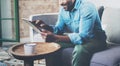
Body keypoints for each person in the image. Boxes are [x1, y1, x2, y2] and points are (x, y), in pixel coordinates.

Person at [33, 0, 107, 66]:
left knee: (80, 49)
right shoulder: (63, 10)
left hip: (96, 39)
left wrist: (56, 37)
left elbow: (83, 36)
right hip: (78, 37)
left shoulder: (87, 7)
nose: (60, 3)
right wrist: (46, 27)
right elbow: (58, 29)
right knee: (53, 44)